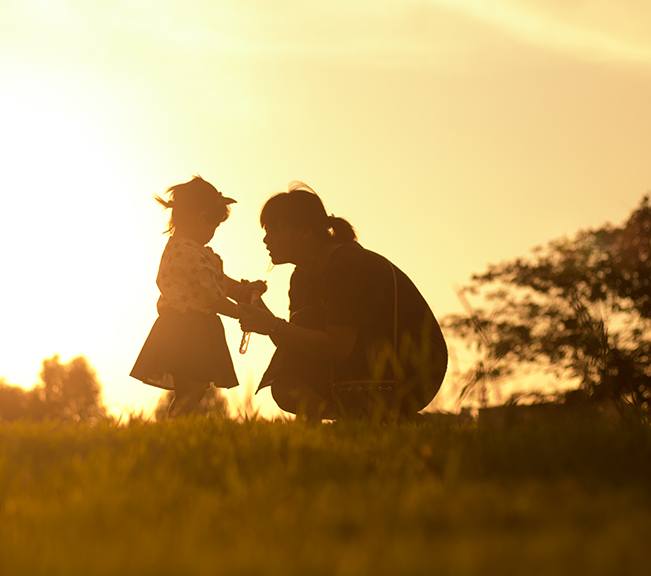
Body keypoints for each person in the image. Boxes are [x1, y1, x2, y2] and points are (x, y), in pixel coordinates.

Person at [238, 186, 447, 420]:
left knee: (306, 321)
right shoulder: (301, 276)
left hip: (416, 369)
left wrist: (273, 325)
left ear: (305, 232)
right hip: (368, 361)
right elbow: (296, 347)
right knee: (286, 386)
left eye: (274, 229)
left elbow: (338, 347)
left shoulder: (347, 266)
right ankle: (373, 423)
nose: (266, 239)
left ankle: (378, 419)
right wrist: (261, 313)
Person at [130, 176, 267, 417]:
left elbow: (218, 283)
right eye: (213, 226)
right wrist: (241, 312)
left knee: (193, 390)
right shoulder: (187, 253)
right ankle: (176, 430)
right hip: (187, 331)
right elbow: (210, 298)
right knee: (191, 389)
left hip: (190, 329)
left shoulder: (189, 251)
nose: (213, 233)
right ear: (202, 218)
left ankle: (177, 430)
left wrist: (244, 291)